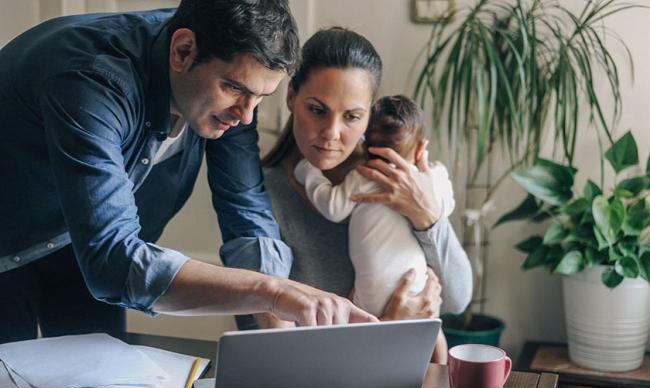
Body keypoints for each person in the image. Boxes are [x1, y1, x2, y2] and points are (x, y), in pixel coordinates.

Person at [0, 1, 376, 344]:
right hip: (10, 243)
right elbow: (113, 261)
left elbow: (244, 210)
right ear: (182, 51)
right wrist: (274, 292)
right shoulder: (93, 79)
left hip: (82, 251)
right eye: (234, 89)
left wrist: (281, 337)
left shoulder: (235, 79)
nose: (246, 115)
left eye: (260, 98)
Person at [242, 28, 473, 362]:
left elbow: (457, 299)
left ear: (369, 117)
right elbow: (281, 356)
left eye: (352, 116)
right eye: (318, 110)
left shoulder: (395, 181)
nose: (331, 134)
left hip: (407, 381)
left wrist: (428, 217)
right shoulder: (258, 198)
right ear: (291, 96)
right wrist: (386, 327)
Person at [294, 95, 455, 316]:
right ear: (421, 150)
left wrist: (309, 173)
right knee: (433, 331)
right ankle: (441, 351)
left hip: (370, 296)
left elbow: (333, 207)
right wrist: (440, 174)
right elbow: (446, 208)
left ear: (364, 144)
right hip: (416, 284)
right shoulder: (427, 182)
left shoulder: (363, 177)